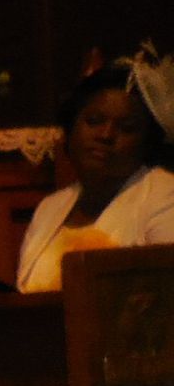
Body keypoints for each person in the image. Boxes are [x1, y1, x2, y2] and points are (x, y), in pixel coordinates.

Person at [15, 58, 174, 292]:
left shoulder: (165, 197)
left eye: (126, 128)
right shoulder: (50, 208)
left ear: (147, 142)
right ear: (71, 129)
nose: (106, 135)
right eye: (94, 121)